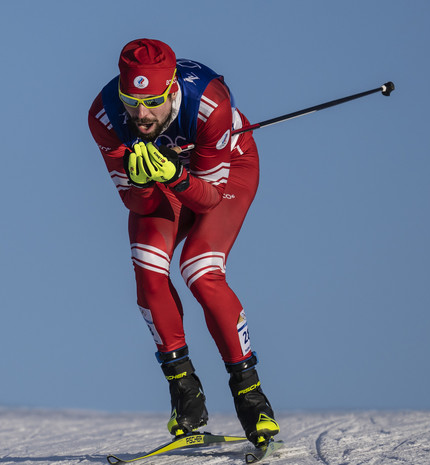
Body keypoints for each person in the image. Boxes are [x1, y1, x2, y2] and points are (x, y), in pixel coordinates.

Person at [87, 38, 280, 446]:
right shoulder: (104, 116)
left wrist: (175, 175)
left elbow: (208, 198)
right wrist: (142, 181)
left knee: (200, 269)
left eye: (153, 101)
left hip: (223, 173)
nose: (141, 115)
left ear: (172, 87)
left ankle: (251, 397)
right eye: (132, 100)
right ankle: (184, 392)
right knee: (148, 265)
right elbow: (135, 202)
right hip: (166, 180)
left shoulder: (210, 104)